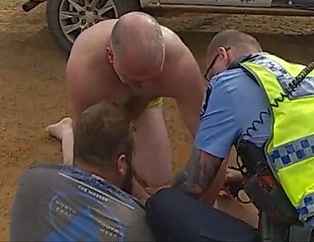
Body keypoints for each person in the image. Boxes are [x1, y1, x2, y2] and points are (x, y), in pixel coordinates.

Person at [146, 30, 314, 241]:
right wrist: (245, 180)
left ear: (223, 55)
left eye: (210, 74)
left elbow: (195, 184)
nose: (212, 81)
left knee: (164, 205)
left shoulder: (229, 83)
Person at [46, 11, 206, 197]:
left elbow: (207, 132)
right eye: (137, 81)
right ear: (110, 57)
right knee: (85, 177)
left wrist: (209, 183)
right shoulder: (85, 71)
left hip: (144, 105)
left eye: (154, 78)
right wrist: (142, 199)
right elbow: (92, 144)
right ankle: (68, 131)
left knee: (158, 181)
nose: (146, 86)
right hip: (103, 116)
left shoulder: (179, 63)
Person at [10, 102, 154, 241]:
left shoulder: (33, 180)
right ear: (121, 163)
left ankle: (67, 132)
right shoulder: (139, 224)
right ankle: (66, 132)